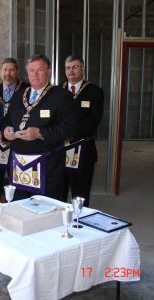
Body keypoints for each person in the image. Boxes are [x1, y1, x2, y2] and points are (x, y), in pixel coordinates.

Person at [3, 54, 76, 201]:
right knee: (19, 206)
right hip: (19, 164)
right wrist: (6, 130)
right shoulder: (18, 95)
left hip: (47, 165)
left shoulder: (62, 96)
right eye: (31, 70)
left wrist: (40, 133)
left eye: (40, 70)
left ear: (48, 72)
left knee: (45, 211)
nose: (35, 74)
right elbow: (6, 120)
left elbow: (69, 128)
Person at [0, 57, 29, 206]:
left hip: (17, 142)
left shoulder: (26, 90)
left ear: (17, 72)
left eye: (11, 70)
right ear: (0, 72)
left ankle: (15, 210)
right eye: (5, 70)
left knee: (17, 181)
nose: (7, 73)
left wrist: (10, 135)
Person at [61, 54, 104, 207]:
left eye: (75, 67)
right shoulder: (57, 91)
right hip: (59, 150)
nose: (71, 71)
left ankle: (80, 224)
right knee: (58, 192)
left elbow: (93, 121)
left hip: (83, 149)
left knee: (80, 194)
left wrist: (66, 133)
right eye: (67, 67)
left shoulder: (95, 92)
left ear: (83, 68)